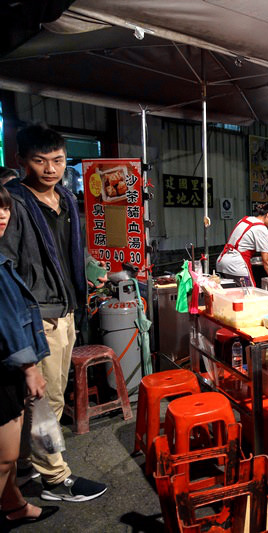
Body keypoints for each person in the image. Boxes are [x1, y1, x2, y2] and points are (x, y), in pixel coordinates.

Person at [0, 124, 107, 502]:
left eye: (58, 160)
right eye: (39, 161)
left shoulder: (63, 198)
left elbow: (68, 253)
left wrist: (90, 271)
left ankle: (27, 465)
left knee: (54, 396)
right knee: (42, 400)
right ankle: (55, 479)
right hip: (37, 316)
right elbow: (5, 265)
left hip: (65, 310)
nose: (50, 169)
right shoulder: (13, 202)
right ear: (21, 161)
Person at [0, 183, 59, 528]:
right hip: (8, 364)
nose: (2, 215)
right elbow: (5, 320)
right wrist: (30, 367)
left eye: (5, 208)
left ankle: (15, 504)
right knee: (6, 457)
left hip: (9, 365)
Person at [216, 202, 268, 285]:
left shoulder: (245, 219)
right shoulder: (261, 229)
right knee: (249, 294)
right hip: (237, 266)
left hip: (222, 261)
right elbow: (266, 261)